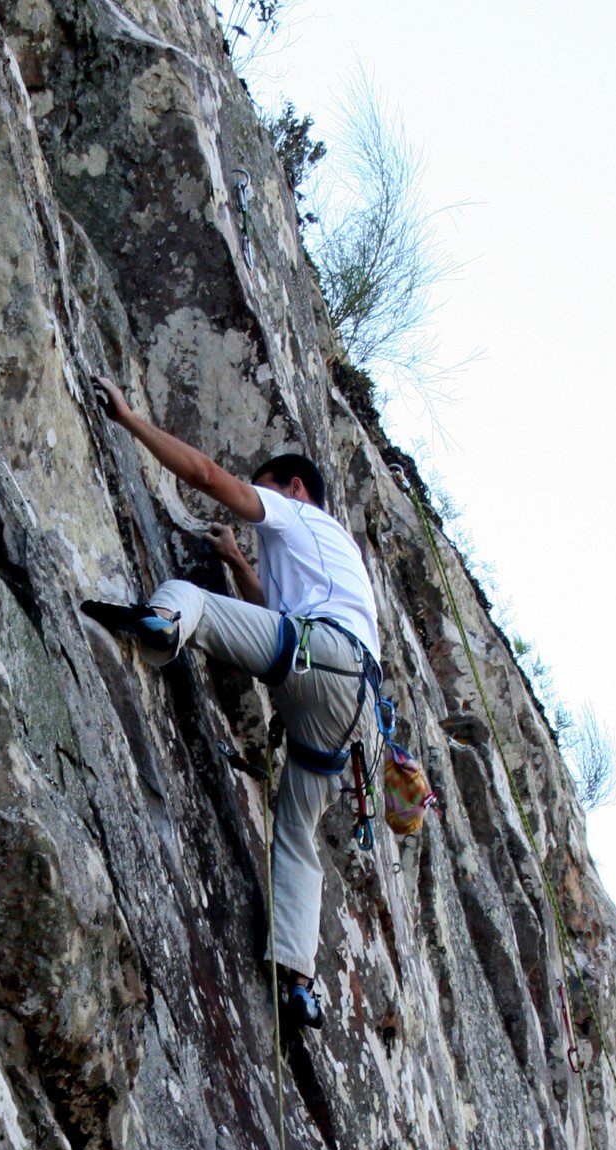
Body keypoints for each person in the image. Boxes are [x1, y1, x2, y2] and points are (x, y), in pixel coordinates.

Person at [82, 376, 382, 1031]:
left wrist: (131, 419)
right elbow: (276, 615)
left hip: (318, 658)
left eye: (268, 486)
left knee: (193, 600)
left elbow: (208, 474)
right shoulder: (334, 560)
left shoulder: (299, 513)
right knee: (298, 834)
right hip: (356, 710)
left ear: (294, 489)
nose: (259, 499)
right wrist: (237, 559)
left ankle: (163, 623)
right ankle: (300, 981)